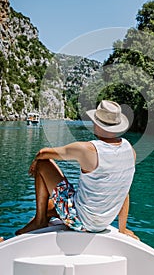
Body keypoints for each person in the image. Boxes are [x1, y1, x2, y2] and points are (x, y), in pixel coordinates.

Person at [16, 100, 139, 240]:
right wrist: (122, 229)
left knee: (43, 164)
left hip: (80, 221)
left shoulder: (87, 149)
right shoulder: (130, 151)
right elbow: (124, 191)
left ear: (97, 124)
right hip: (103, 223)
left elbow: (43, 153)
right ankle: (43, 216)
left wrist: (35, 161)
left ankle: (39, 221)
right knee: (49, 206)